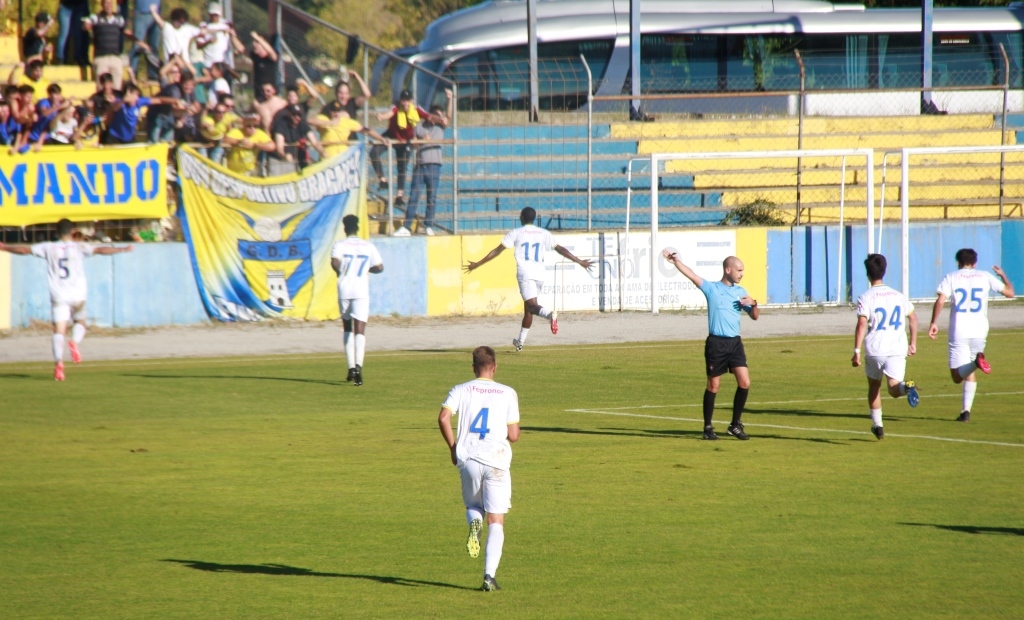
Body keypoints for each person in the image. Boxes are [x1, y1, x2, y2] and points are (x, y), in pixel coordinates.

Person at [0, 219, 132, 381]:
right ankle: (75, 342)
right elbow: (101, 250)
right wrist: (123, 249)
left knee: (58, 331)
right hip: (78, 295)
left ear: (57, 231)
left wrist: (5, 247)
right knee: (80, 323)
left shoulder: (48, 247)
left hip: (59, 295)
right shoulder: (80, 247)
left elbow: (24, 249)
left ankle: (59, 365)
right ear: (72, 231)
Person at [437, 345, 521, 592]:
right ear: (494, 367)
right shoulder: (507, 392)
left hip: (469, 459)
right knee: (497, 520)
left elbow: (443, 418)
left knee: (474, 506)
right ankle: (488, 577)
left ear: (473, 368)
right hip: (496, 460)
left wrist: (453, 447)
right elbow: (514, 435)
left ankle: (475, 523)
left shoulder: (461, 389)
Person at [662, 250, 760, 440]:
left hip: (735, 344)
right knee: (714, 386)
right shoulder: (712, 289)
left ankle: (735, 425)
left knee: (745, 382)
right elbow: (692, 275)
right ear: (728, 269)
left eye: (743, 270)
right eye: (739, 270)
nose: (742, 274)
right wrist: (677, 262)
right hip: (717, 344)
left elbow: (755, 317)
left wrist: (754, 304)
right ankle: (708, 427)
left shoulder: (741, 292)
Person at [464, 207, 593, 350]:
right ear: (534, 218)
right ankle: (520, 342)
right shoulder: (543, 233)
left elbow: (497, 251)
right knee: (529, 309)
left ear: (522, 217)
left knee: (532, 306)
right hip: (540, 274)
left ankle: (550, 315)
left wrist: (478, 264)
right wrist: (579, 261)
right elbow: (561, 249)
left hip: (525, 274)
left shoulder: (516, 233)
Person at [927, 248, 1014, 422]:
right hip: (980, 330)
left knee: (956, 376)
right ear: (974, 263)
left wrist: (933, 322)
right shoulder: (984, 276)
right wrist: (1003, 275)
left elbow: (941, 300)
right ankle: (965, 411)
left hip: (959, 329)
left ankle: (976, 363)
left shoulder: (951, 277)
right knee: (969, 370)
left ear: (958, 262)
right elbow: (1010, 293)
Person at [852, 254, 921, 440]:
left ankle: (878, 425)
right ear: (884, 271)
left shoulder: (866, 297)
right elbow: (913, 318)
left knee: (874, 386)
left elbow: (861, 324)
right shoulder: (898, 295)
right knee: (893, 388)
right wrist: (913, 343)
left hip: (876, 348)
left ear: (867, 274)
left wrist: (856, 351)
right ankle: (906, 387)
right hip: (898, 348)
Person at [329, 214, 383, 386]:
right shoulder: (368, 245)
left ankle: (351, 367)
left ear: (345, 228)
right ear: (357, 228)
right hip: (361, 290)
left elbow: (334, 262)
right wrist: (366, 269)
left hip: (344, 288)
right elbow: (380, 267)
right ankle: (359, 366)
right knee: (360, 330)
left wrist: (341, 271)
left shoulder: (340, 245)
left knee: (347, 327)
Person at [370, 89, 443, 208]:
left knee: (402, 166)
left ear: (412, 101)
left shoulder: (416, 109)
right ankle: (382, 180)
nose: (405, 103)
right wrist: (381, 116)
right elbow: (388, 114)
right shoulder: (396, 108)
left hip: (405, 141)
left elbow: (429, 117)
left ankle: (399, 196)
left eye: (407, 101)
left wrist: (440, 120)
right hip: (391, 136)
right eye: (403, 100)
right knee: (374, 152)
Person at [395, 104, 448, 236]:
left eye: (440, 115)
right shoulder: (419, 127)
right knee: (414, 196)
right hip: (420, 165)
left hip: (434, 166)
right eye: (436, 114)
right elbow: (412, 144)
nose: (439, 117)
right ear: (430, 114)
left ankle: (428, 225)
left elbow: (449, 117)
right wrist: (422, 141)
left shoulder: (440, 127)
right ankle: (407, 227)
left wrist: (450, 99)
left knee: (432, 197)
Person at [83, 0, 150, 91]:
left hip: (115, 57)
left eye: (110, 3)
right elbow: (85, 26)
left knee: (117, 87)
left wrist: (140, 43)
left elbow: (127, 33)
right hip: (101, 57)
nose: (109, 6)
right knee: (101, 87)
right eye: (106, 3)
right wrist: (87, 24)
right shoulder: (96, 17)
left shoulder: (119, 19)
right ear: (102, 5)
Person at [103, 83, 182, 145]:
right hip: (115, 136)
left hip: (129, 137)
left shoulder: (139, 102)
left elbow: (159, 100)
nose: (136, 98)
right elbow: (114, 108)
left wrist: (175, 101)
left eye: (137, 95)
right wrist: (124, 100)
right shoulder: (119, 102)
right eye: (134, 95)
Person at [313, 99, 387, 159]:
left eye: (338, 111)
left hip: (342, 159)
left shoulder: (346, 122)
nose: (336, 113)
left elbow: (366, 131)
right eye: (333, 111)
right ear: (330, 111)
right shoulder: (324, 119)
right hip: (327, 159)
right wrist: (329, 123)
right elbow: (310, 121)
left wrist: (381, 139)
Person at [269, 104, 324, 176]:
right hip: (278, 159)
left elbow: (314, 142)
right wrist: (285, 156)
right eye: (294, 115)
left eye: (299, 115)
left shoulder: (302, 124)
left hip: (292, 159)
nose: (296, 118)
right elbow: (279, 148)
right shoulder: (281, 125)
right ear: (289, 115)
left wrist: (323, 153)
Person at [129, 0, 162, 81]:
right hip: (141, 12)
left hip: (156, 13)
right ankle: (132, 74)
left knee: (154, 47)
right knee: (137, 46)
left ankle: (153, 76)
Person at [248, 32, 279, 101]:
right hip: (259, 94)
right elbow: (242, 49)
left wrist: (258, 38)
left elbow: (272, 54)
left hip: (270, 95)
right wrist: (232, 34)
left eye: (257, 42)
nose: (254, 44)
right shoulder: (255, 57)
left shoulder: (271, 57)